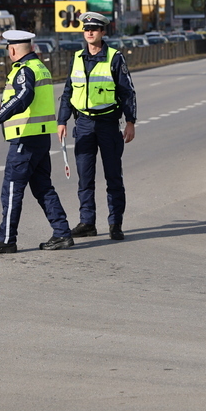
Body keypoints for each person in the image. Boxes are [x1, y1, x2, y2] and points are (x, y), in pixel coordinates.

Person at [0, 30, 74, 254]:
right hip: (39, 138)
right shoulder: (39, 66)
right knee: (43, 188)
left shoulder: (24, 70)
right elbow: (26, 99)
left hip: (26, 139)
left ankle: (7, 240)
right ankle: (62, 233)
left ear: (12, 49)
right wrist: (2, 107)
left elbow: (24, 96)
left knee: (11, 190)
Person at [57, 12, 137, 241]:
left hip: (108, 123)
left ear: (102, 31)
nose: (90, 32)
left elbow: (127, 92)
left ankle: (115, 224)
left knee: (113, 176)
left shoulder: (114, 58)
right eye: (86, 29)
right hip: (83, 123)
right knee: (85, 177)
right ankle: (87, 222)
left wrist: (130, 122)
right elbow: (68, 91)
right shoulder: (77, 58)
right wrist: (62, 120)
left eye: (94, 29)